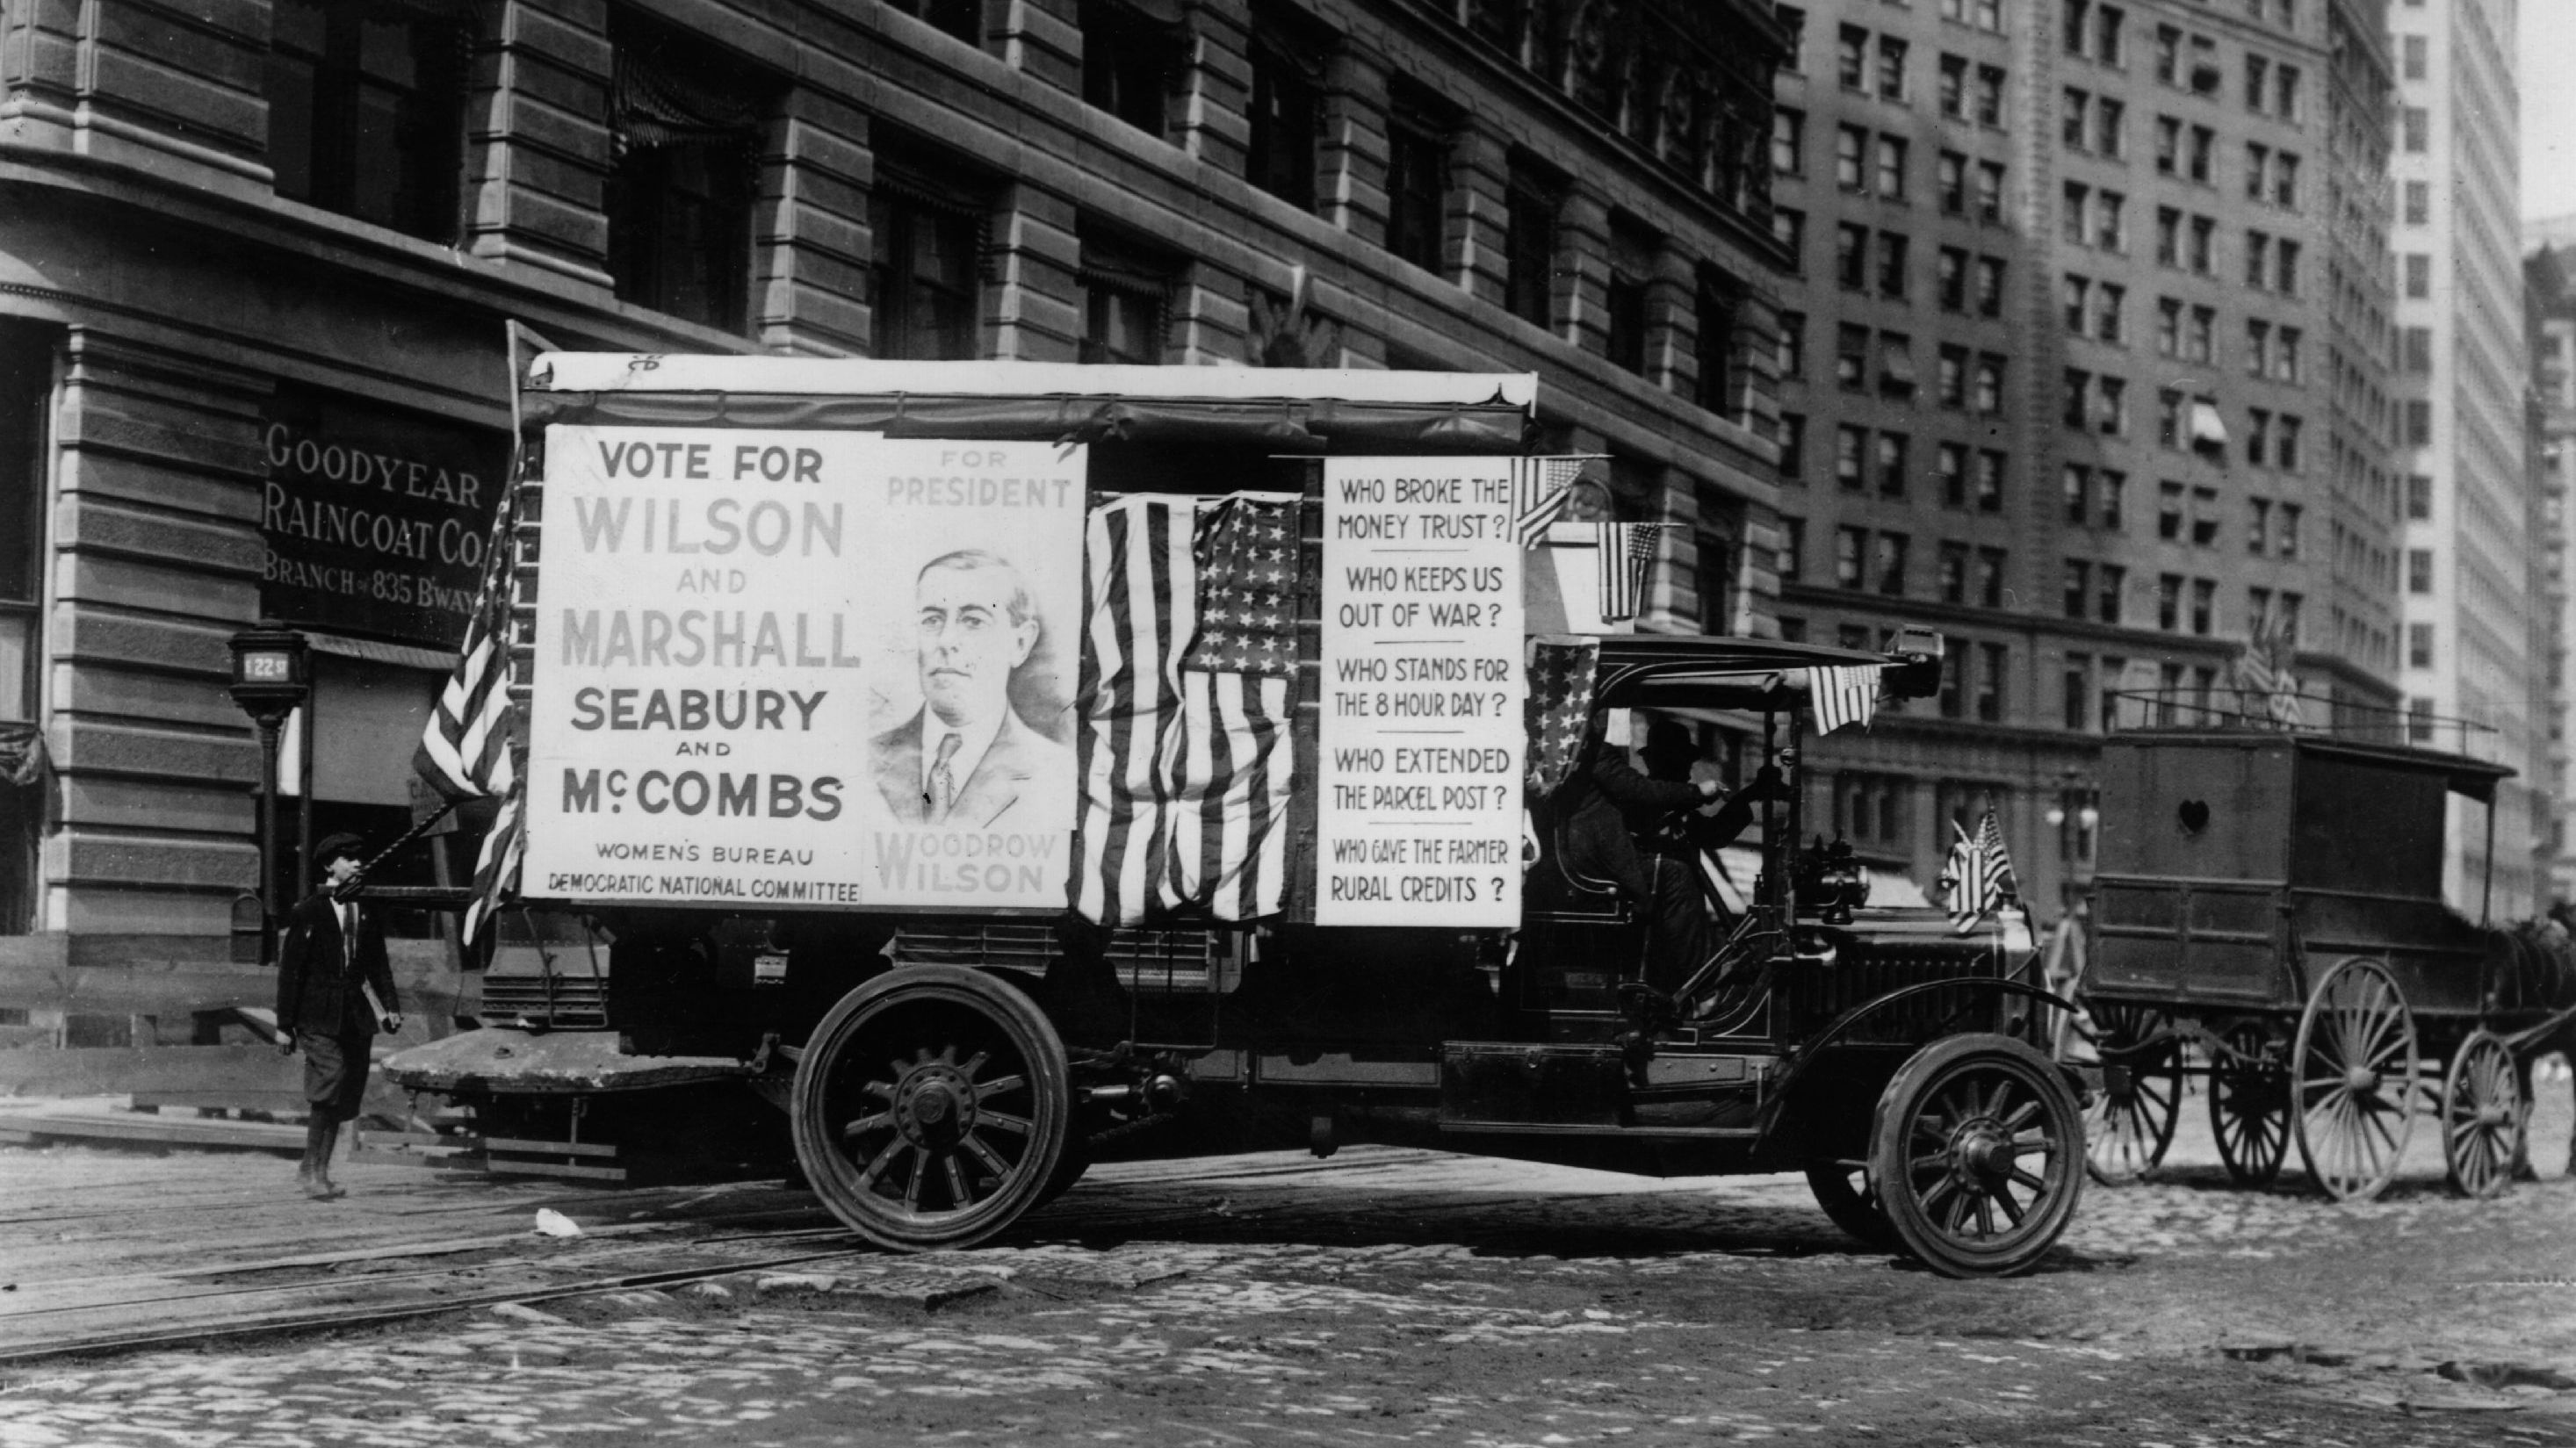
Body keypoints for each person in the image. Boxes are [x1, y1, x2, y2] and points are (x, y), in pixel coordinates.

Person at [1555, 715, 1779, 996]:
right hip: (1639, 920)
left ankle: (1703, 976)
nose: (1687, 768)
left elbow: (1712, 835)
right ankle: (1703, 973)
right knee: (1675, 872)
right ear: (1657, 761)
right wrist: (1694, 793)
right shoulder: (1642, 798)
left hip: (1665, 942)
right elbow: (1649, 798)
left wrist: (1748, 796)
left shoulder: (1671, 802)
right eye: (1680, 760)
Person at [871, 550, 1076, 827]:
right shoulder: (866, 759)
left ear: (1020, 644)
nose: (946, 640)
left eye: (974, 621)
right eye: (932, 620)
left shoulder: (1059, 772)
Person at [275, 832, 400, 1200]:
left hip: (355, 1016)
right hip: (316, 1015)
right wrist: (284, 1026)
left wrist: (390, 1007)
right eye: (348, 858)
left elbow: (379, 964)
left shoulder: (367, 909)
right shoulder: (309, 911)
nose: (357, 864)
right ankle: (310, 1170)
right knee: (330, 1077)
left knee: (345, 1093)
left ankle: (317, 1171)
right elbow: (290, 971)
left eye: (359, 858)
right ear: (330, 865)